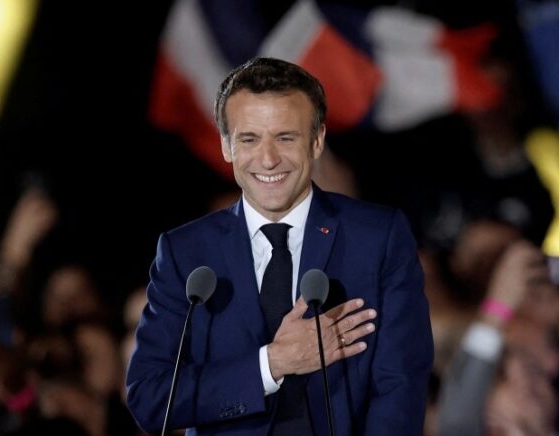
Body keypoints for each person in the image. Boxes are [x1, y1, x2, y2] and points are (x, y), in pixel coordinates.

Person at [126, 57, 433, 435]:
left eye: (285, 137)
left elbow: (401, 385)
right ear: (226, 145)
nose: (268, 159)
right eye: (249, 139)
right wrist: (272, 363)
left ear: (317, 140)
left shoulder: (377, 237)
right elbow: (151, 398)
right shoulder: (185, 253)